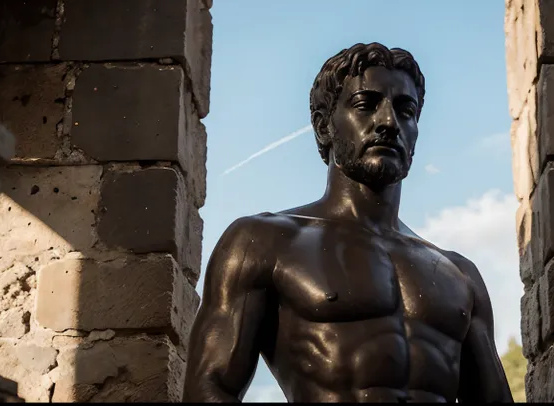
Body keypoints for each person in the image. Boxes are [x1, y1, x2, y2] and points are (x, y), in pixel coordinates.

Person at [183, 42, 513, 403]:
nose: (388, 122)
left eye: (406, 110)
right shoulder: (263, 242)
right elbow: (210, 388)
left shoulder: (459, 273)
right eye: (365, 105)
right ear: (324, 126)